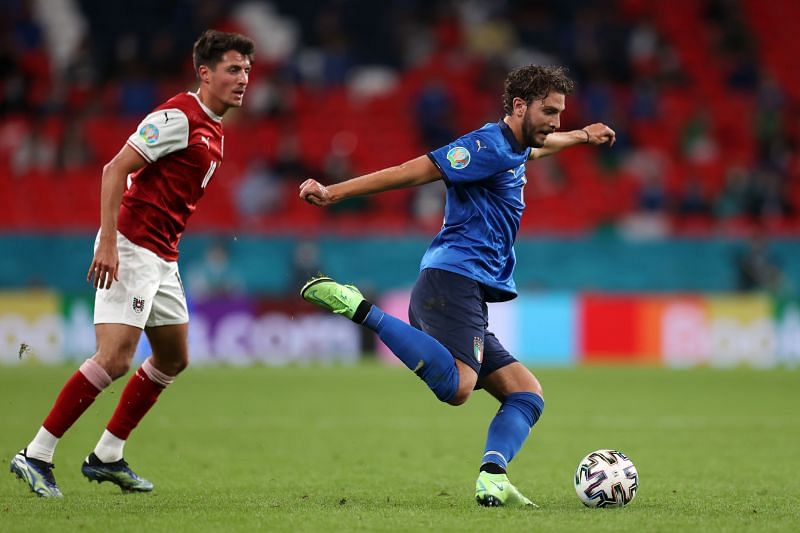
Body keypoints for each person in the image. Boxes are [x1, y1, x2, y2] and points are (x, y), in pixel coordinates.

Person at [299, 65, 615, 507]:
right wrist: (334, 193)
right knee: (459, 389)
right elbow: (412, 170)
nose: (555, 122)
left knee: (525, 393)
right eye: (549, 111)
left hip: (468, 288)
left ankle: (493, 476)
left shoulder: (518, 145)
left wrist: (582, 136)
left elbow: (539, 149)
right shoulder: (485, 145)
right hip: (452, 278)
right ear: (519, 106)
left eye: (560, 113)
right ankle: (360, 308)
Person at [9, 29, 254, 497]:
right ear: (205, 74)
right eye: (232, 70)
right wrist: (108, 242)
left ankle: (106, 455)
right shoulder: (178, 116)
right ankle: (35, 453)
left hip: (164, 255)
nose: (243, 79)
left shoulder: (214, 128)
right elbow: (114, 168)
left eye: (246, 70)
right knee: (116, 358)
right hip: (133, 247)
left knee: (173, 357)